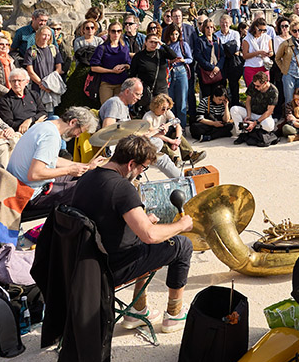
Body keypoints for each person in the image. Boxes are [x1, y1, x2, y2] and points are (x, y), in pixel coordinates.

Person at [68, 135, 194, 333]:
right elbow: (150, 236)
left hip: (85, 262)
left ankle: (138, 309)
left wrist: (143, 221)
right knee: (182, 245)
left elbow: (104, 216)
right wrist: (181, 225)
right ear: (131, 164)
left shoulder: (87, 178)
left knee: (143, 242)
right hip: (111, 268)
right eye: (142, 168)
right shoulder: (122, 188)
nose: (141, 173)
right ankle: (174, 314)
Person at [144, 93, 203, 166]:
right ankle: (174, 158)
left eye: (167, 108)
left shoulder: (167, 112)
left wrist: (177, 139)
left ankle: (190, 154)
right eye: (163, 109)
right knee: (159, 142)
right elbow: (152, 133)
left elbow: (178, 125)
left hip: (164, 135)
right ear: (156, 106)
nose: (165, 111)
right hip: (155, 138)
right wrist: (171, 141)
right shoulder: (148, 116)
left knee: (176, 133)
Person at [129, 32, 176, 117]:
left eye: (155, 42)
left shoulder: (161, 53)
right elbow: (132, 73)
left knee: (164, 112)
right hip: (147, 89)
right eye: (151, 42)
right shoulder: (139, 56)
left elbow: (173, 56)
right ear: (145, 42)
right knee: (148, 113)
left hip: (161, 88)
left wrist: (162, 44)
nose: (153, 44)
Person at [91, 21, 132, 105]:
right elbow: (94, 67)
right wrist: (112, 71)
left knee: (120, 109)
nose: (116, 33)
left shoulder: (124, 48)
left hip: (121, 83)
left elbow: (129, 64)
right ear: (109, 32)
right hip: (106, 83)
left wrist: (124, 65)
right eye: (113, 31)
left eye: (119, 31)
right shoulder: (101, 48)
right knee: (107, 108)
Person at [235, 71, 279, 142]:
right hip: (252, 113)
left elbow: (269, 111)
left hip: (263, 116)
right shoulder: (253, 85)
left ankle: (255, 128)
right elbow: (248, 100)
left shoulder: (273, 91)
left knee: (268, 126)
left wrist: (255, 122)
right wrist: (248, 115)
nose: (255, 87)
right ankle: (241, 133)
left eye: (258, 86)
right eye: (254, 85)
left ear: (265, 83)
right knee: (234, 109)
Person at [0, 69, 44, 133]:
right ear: (10, 82)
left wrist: (30, 120)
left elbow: (43, 112)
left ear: (27, 82)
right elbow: (8, 123)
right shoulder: (4, 101)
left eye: (19, 81)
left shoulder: (34, 95)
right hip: (22, 131)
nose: (16, 84)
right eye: (13, 81)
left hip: (38, 125)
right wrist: (33, 124)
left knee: (55, 118)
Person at [162, 23, 192, 125]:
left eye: (176, 34)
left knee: (182, 101)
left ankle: (182, 127)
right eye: (172, 34)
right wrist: (169, 61)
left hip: (181, 72)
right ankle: (172, 126)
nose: (174, 37)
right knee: (170, 102)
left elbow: (190, 59)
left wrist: (183, 60)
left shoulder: (183, 45)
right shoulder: (165, 46)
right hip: (169, 73)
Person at [275, 18, 299, 104]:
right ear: (290, 31)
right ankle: (289, 116)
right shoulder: (285, 44)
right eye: (294, 31)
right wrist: (284, 69)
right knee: (289, 98)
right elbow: (277, 58)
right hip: (289, 74)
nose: (297, 33)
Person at [192, 18, 225, 99]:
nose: (209, 29)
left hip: (217, 73)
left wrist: (218, 67)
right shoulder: (199, 41)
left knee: (217, 95)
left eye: (211, 27)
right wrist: (211, 67)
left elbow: (223, 55)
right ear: (204, 28)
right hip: (205, 72)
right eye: (207, 27)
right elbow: (198, 56)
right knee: (207, 97)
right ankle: (207, 111)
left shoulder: (217, 40)